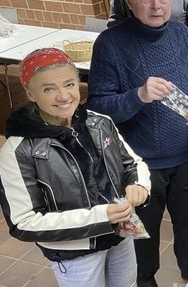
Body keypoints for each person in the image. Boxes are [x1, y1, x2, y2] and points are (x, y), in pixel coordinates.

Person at [88, 0, 188, 287]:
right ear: (129, 0)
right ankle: (145, 282)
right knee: (144, 242)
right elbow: (97, 109)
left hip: (184, 157)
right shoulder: (110, 44)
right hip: (140, 170)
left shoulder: (181, 36)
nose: (157, 5)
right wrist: (138, 95)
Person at [0, 48, 151, 287]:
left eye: (69, 84)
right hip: (76, 255)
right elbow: (23, 223)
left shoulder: (100, 123)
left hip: (120, 237)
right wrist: (100, 217)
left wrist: (138, 184)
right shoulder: (19, 151)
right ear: (30, 93)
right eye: (48, 89)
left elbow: (132, 163)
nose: (63, 96)